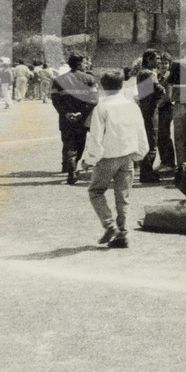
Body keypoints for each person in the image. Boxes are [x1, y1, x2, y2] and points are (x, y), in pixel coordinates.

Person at [78, 70, 149, 249]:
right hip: (127, 157)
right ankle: (123, 233)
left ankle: (110, 226)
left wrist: (89, 159)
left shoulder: (101, 108)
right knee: (123, 197)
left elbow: (96, 137)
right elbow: (141, 131)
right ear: (122, 84)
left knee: (96, 191)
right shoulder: (132, 105)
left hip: (107, 157)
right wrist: (140, 153)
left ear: (102, 86)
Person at [50, 53, 98, 185]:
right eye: (85, 62)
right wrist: (81, 113)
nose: (86, 64)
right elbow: (94, 100)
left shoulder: (58, 80)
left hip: (66, 119)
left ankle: (70, 170)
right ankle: (73, 169)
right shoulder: (89, 79)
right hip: (82, 119)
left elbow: (55, 100)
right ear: (79, 64)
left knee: (69, 144)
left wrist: (66, 113)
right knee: (80, 144)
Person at [134, 49, 165, 183]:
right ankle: (147, 173)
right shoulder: (148, 73)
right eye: (156, 58)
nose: (158, 61)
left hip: (145, 109)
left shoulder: (142, 73)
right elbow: (159, 89)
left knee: (148, 141)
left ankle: (146, 171)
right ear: (148, 59)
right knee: (151, 142)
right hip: (150, 112)